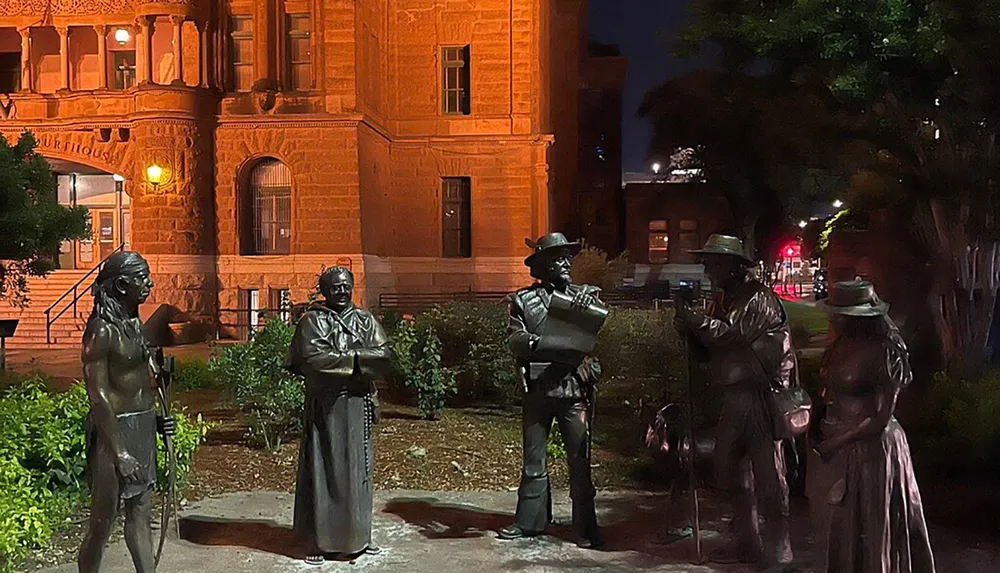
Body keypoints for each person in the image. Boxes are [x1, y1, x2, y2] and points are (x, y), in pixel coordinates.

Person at [673, 234, 796, 570]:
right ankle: (746, 541)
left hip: (761, 397)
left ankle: (778, 550)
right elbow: (712, 348)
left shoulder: (758, 298)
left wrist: (695, 321)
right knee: (730, 472)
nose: (707, 267)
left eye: (713, 262)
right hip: (736, 396)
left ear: (734, 266)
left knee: (769, 477)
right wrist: (690, 332)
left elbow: (730, 335)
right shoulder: (724, 299)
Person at [808, 280, 935, 573]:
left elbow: (880, 418)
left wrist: (837, 441)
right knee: (844, 525)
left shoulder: (884, 350)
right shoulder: (840, 344)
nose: (832, 318)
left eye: (839, 313)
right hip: (843, 444)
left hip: (874, 450)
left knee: (874, 524)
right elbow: (827, 390)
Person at [498, 232, 605, 549]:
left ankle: (585, 527)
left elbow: (593, 330)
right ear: (542, 265)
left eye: (567, 258)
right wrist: (547, 345)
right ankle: (529, 522)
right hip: (538, 392)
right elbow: (516, 339)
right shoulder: (523, 301)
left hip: (573, 391)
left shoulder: (584, 295)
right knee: (533, 460)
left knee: (580, 461)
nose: (565, 263)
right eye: (557, 258)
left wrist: (581, 308)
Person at [286, 266, 392, 565]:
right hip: (326, 406)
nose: (342, 291)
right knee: (325, 470)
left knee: (358, 470)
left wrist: (347, 362)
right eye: (335, 287)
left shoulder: (364, 320)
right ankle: (318, 541)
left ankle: (358, 536)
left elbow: (384, 356)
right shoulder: (313, 321)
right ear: (324, 290)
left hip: (358, 404)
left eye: (347, 286)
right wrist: (360, 359)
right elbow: (314, 359)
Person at [79, 251, 175, 573]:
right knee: (102, 522)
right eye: (142, 278)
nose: (149, 283)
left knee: (141, 512)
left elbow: (141, 384)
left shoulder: (134, 325)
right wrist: (119, 452)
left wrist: (159, 421)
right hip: (112, 434)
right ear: (122, 284)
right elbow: (99, 395)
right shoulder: (101, 331)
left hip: (142, 427)